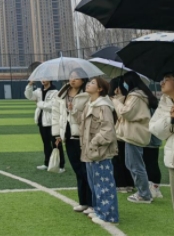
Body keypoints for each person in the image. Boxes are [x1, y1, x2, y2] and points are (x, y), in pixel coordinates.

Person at [149, 68, 174, 235]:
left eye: (167, 79)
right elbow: (155, 130)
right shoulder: (165, 102)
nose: (162, 82)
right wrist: (171, 119)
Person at [111, 71, 158, 204]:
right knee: (132, 164)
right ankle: (143, 192)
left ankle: (144, 194)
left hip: (134, 134)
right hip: (132, 134)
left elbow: (126, 113)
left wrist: (116, 100)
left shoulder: (136, 95)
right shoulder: (135, 95)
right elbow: (125, 111)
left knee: (136, 165)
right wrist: (119, 97)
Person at [78, 76, 119, 224]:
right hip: (89, 151)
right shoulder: (90, 104)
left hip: (100, 151)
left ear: (100, 89)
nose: (88, 84)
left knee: (104, 184)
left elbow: (108, 131)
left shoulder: (103, 106)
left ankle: (108, 216)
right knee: (94, 184)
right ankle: (99, 210)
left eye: (93, 83)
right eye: (89, 82)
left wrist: (94, 142)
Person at [52, 69, 91, 211]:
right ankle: (83, 202)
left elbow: (89, 115)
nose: (73, 79)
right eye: (71, 77)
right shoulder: (61, 94)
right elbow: (56, 115)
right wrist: (57, 134)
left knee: (85, 170)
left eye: (76, 77)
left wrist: (74, 110)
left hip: (82, 136)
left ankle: (92, 203)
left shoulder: (87, 94)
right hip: (68, 136)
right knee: (77, 170)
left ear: (83, 80)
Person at [25, 79, 64, 172]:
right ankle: (47, 163)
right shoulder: (38, 91)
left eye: (45, 78)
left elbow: (52, 106)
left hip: (52, 122)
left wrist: (39, 103)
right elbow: (29, 96)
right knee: (46, 144)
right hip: (41, 121)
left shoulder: (55, 92)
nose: (43, 80)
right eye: (42, 78)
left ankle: (61, 166)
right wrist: (30, 85)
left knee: (56, 144)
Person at [108, 77, 135, 193]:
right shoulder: (128, 98)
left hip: (116, 132)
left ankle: (121, 184)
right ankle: (129, 183)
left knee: (117, 159)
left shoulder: (112, 100)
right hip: (125, 133)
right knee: (125, 159)